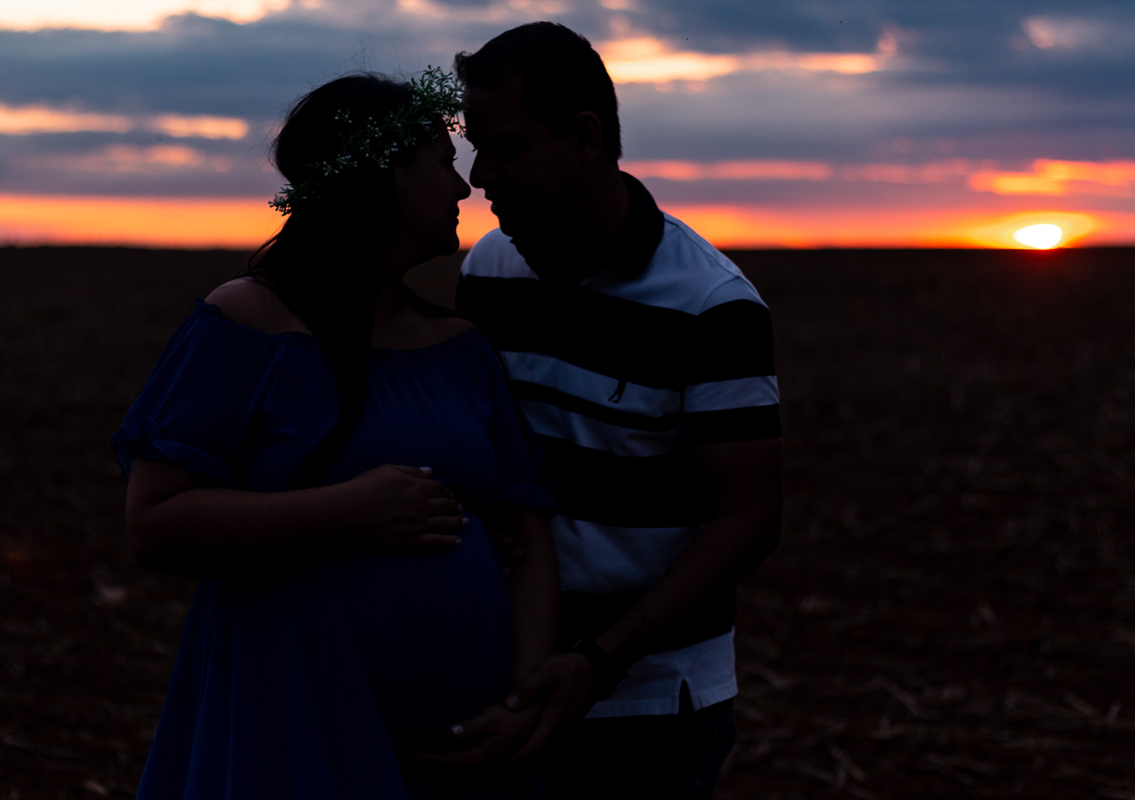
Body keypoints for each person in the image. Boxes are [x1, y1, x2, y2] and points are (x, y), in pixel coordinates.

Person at [111, 69, 559, 799]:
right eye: (443, 163)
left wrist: (523, 699)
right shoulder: (248, 325)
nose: (463, 188)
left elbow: (529, 531)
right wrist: (348, 512)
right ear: (383, 176)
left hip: (471, 744)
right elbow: (155, 522)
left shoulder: (459, 348)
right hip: (296, 716)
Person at [450, 24, 785, 799]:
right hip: (504, 678)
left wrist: (598, 661)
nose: (479, 176)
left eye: (504, 148)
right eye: (474, 148)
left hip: (648, 709)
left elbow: (750, 518)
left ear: (585, 138)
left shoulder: (711, 305)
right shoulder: (489, 267)